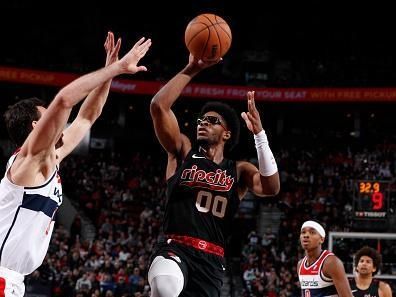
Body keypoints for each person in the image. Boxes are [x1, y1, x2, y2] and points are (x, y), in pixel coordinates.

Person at [0, 32, 151, 296]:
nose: (56, 120)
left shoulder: (50, 158)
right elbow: (64, 101)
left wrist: (109, 72)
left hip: (13, 280)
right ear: (36, 127)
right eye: (48, 116)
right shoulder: (29, 160)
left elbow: (87, 117)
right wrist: (118, 66)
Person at [148, 53, 280, 297]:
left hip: (212, 261)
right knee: (165, 287)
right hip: (175, 247)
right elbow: (158, 106)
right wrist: (191, 69)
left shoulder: (239, 170)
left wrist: (260, 135)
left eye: (211, 121)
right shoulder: (183, 150)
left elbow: (271, 188)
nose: (203, 123)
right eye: (201, 120)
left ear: (226, 134)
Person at [298, 220, 353, 297]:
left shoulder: (331, 262)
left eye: (312, 232)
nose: (306, 235)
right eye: (303, 232)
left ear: (321, 239)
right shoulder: (300, 264)